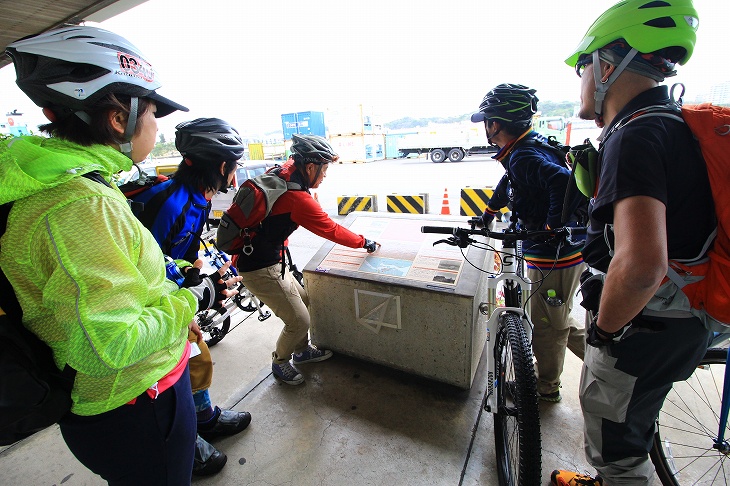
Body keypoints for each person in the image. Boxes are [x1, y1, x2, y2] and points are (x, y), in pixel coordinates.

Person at [0, 26, 234, 484]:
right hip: (134, 404)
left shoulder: (70, 183)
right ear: (117, 117)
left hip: (126, 404)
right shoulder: (80, 204)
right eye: (150, 110)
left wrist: (177, 275)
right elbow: (110, 345)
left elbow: (114, 270)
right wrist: (195, 298)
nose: (156, 124)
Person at [551, 1, 715, 485]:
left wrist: (603, 331)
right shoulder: (677, 123)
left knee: (619, 456)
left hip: (645, 325)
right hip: (690, 312)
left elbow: (641, 266)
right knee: (637, 416)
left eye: (582, 67)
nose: (580, 80)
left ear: (605, 66)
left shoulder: (636, 135)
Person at [130, 118, 252, 476]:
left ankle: (204, 417)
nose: (234, 177)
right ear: (220, 165)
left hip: (177, 293)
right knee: (177, 367)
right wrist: (193, 286)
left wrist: (200, 267)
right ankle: (186, 439)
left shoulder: (196, 198)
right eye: (233, 167)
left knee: (195, 357)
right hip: (152, 304)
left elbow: (182, 249)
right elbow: (145, 262)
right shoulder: (172, 203)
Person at [231, 134, 380, 385]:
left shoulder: (284, 171)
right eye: (324, 169)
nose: (325, 175)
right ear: (310, 167)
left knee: (305, 299)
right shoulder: (297, 198)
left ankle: (301, 352)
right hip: (260, 268)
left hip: (271, 260)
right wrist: (363, 242)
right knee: (299, 321)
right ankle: (280, 362)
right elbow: (331, 230)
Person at [471, 83, 586, 403]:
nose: (486, 128)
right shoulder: (524, 148)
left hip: (555, 254)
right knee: (554, 313)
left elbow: (563, 183)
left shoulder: (522, 154)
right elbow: (510, 180)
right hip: (555, 252)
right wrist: (489, 212)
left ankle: (545, 387)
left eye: (486, 121)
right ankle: (604, 360)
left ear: (495, 124)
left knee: (549, 325)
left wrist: (551, 225)